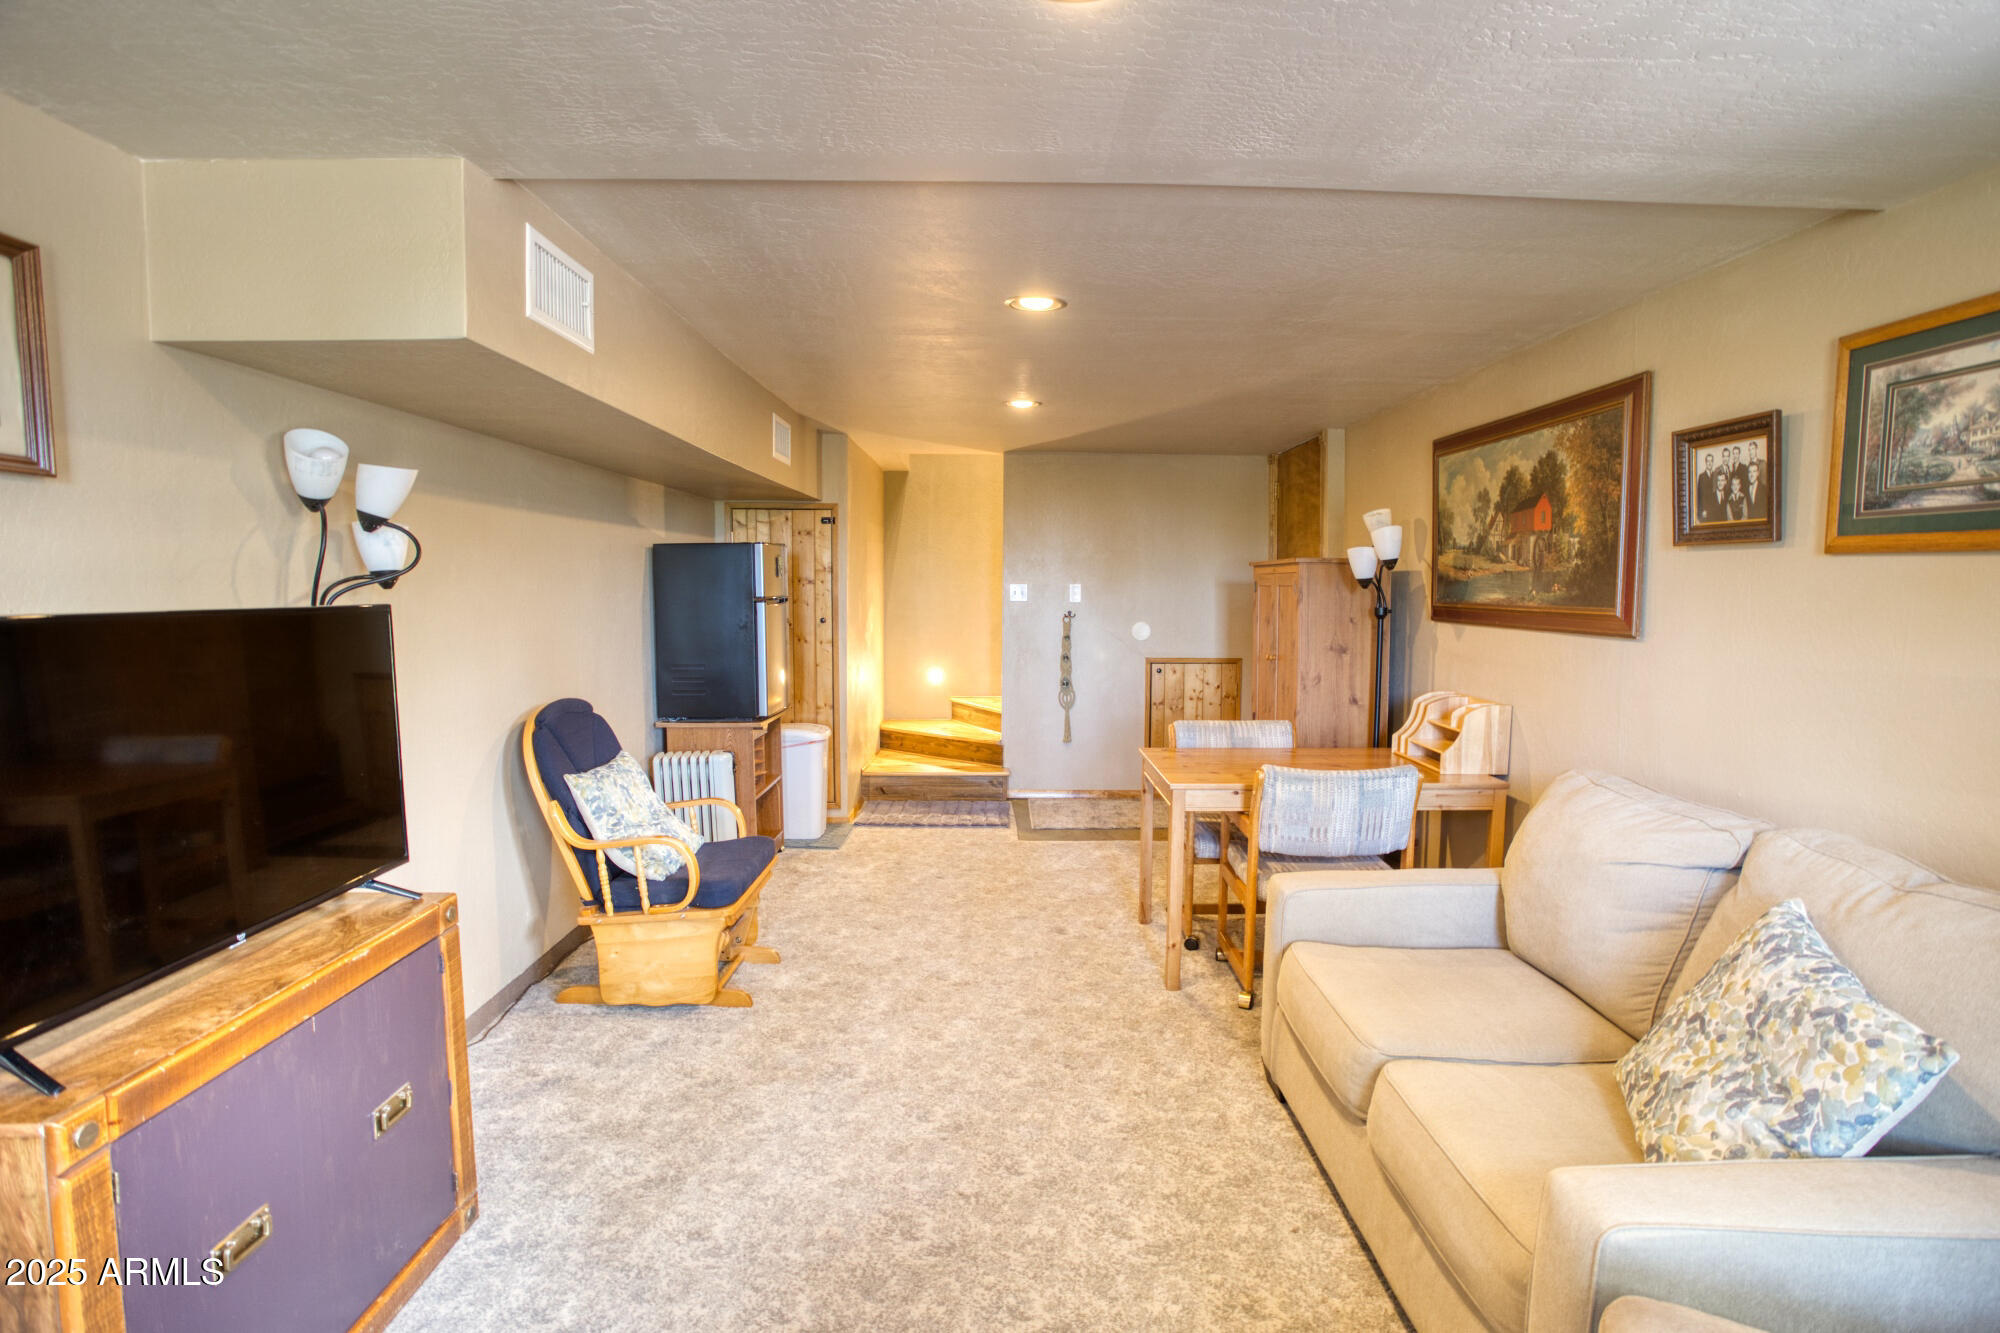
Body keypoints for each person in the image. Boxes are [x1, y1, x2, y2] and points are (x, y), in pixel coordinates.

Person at [1695, 452, 1718, 523]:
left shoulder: (1715, 475)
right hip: (1705, 511)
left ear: (1713, 462)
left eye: (1711, 461)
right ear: (1705, 462)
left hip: (1714, 510)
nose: (1709, 463)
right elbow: (1699, 496)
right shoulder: (1701, 476)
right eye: (1708, 461)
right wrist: (1702, 510)